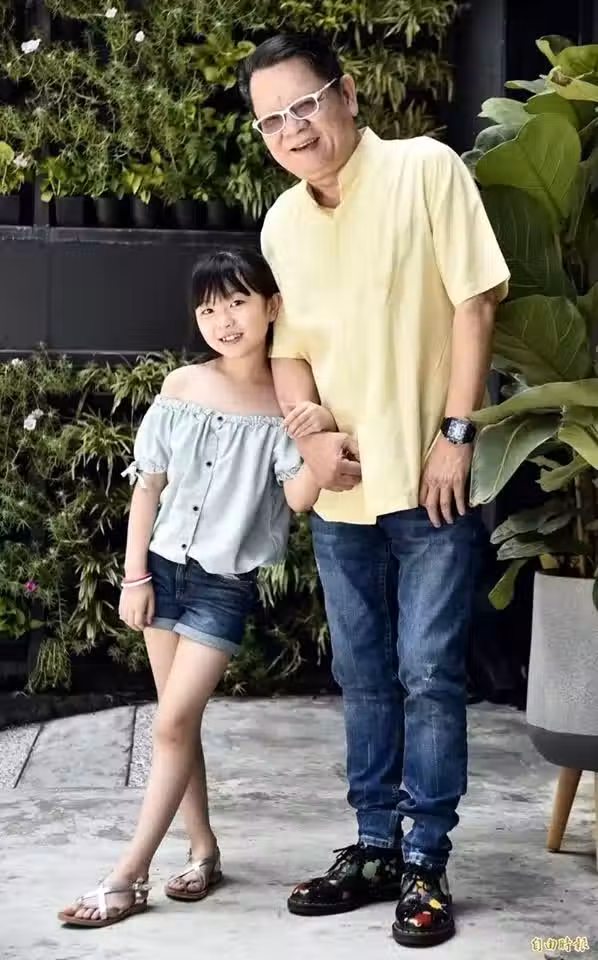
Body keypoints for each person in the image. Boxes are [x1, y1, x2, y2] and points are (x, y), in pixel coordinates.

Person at [238, 33, 510, 948]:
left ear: (346, 94)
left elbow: (476, 303)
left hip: (429, 481)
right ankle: (373, 847)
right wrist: (312, 440)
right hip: (343, 495)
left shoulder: (426, 169)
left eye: (303, 104)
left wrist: (456, 435)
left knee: (429, 674)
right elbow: (288, 355)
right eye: (271, 119)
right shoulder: (282, 224)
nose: (291, 129)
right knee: (361, 676)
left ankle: (425, 860)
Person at [58, 248, 330, 928]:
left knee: (173, 722)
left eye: (237, 302)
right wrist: (134, 578)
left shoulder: (284, 401)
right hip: (161, 571)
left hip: (222, 585)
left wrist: (318, 433)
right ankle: (203, 849)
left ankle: (128, 876)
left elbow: (300, 498)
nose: (224, 321)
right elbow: (147, 486)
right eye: (209, 309)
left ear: (271, 306)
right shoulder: (183, 385)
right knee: (178, 725)